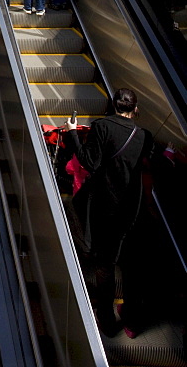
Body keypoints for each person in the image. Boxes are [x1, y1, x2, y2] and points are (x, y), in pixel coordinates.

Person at [66, 89, 156, 338]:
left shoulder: (102, 127)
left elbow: (89, 161)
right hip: (132, 210)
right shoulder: (145, 136)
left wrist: (73, 132)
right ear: (135, 109)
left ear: (111, 105)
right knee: (130, 267)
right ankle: (130, 317)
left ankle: (106, 320)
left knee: (105, 267)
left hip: (106, 208)